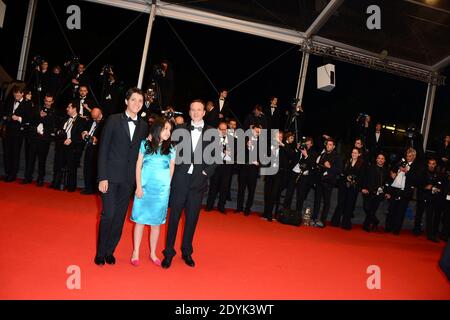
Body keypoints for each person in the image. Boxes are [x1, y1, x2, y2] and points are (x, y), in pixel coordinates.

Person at [95, 88, 148, 266]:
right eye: (133, 100)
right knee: (108, 214)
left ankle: (110, 251)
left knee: (118, 218)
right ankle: (100, 252)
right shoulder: (113, 120)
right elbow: (103, 149)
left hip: (128, 180)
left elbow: (142, 155)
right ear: (126, 101)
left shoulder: (143, 125)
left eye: (140, 101)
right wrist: (102, 177)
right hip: (110, 177)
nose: (137, 104)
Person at [161, 100, 217, 269]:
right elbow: (170, 152)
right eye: (192, 109)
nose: (195, 112)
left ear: (204, 112)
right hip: (179, 180)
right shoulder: (179, 129)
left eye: (199, 110)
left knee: (192, 220)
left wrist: (205, 174)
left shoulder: (212, 132)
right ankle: (168, 253)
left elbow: (215, 158)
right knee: (174, 219)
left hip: (198, 183)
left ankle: (187, 252)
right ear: (189, 111)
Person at [130, 118, 175, 267]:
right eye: (165, 129)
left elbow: (171, 170)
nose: (168, 132)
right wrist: (138, 186)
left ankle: (153, 253)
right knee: (140, 221)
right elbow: (138, 166)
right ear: (157, 129)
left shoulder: (171, 148)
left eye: (169, 129)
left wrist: (167, 188)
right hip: (145, 188)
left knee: (156, 224)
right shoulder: (145, 144)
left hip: (161, 192)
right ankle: (136, 251)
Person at [1, 86, 33, 182]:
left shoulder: (27, 104)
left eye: (18, 93)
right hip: (8, 131)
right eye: (15, 93)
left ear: (23, 93)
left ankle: (13, 174)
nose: (16, 95)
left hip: (18, 132)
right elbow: (4, 112)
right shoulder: (10, 101)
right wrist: (5, 117)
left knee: (15, 153)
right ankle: (7, 172)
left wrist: (19, 118)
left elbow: (29, 119)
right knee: (6, 152)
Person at [330, 148, 365, 230]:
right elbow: (342, 172)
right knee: (340, 203)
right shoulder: (346, 161)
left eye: (356, 153)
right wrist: (346, 177)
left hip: (353, 187)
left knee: (349, 205)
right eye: (353, 152)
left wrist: (353, 180)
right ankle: (335, 222)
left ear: (359, 154)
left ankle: (345, 224)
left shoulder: (362, 164)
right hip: (343, 186)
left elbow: (362, 176)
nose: (353, 154)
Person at [312, 138, 343, 228]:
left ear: (333, 146)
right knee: (317, 201)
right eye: (327, 144)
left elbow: (339, 170)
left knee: (326, 202)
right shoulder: (323, 154)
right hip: (319, 181)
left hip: (328, 183)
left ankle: (322, 221)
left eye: (330, 145)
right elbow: (319, 166)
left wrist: (330, 167)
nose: (328, 146)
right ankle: (314, 218)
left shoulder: (337, 156)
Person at [361, 152, 389, 232]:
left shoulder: (386, 171)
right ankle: (376, 221)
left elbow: (386, 182)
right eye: (379, 158)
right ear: (376, 159)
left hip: (379, 194)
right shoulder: (370, 168)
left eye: (382, 158)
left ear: (384, 160)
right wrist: (363, 188)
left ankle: (366, 225)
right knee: (366, 208)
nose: (380, 160)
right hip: (368, 192)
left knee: (372, 210)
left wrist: (385, 192)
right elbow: (364, 179)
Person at [80, 107, 104, 194]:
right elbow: (85, 128)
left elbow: (104, 137)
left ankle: (94, 188)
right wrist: (84, 132)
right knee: (87, 167)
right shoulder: (91, 120)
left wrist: (96, 140)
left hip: (97, 149)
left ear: (100, 114)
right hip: (88, 146)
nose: (94, 119)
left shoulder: (104, 123)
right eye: (93, 117)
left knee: (94, 169)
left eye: (96, 117)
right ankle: (88, 187)